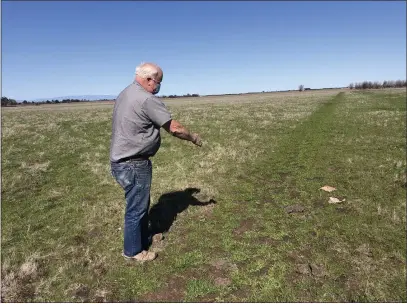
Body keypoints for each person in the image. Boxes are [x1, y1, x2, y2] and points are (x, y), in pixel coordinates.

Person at [110, 62, 202, 262]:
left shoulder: (125, 93)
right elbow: (175, 128)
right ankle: (134, 251)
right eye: (159, 81)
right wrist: (193, 137)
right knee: (136, 208)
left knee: (140, 203)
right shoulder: (146, 99)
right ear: (149, 79)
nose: (159, 86)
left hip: (120, 161)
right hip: (133, 162)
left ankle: (143, 239)